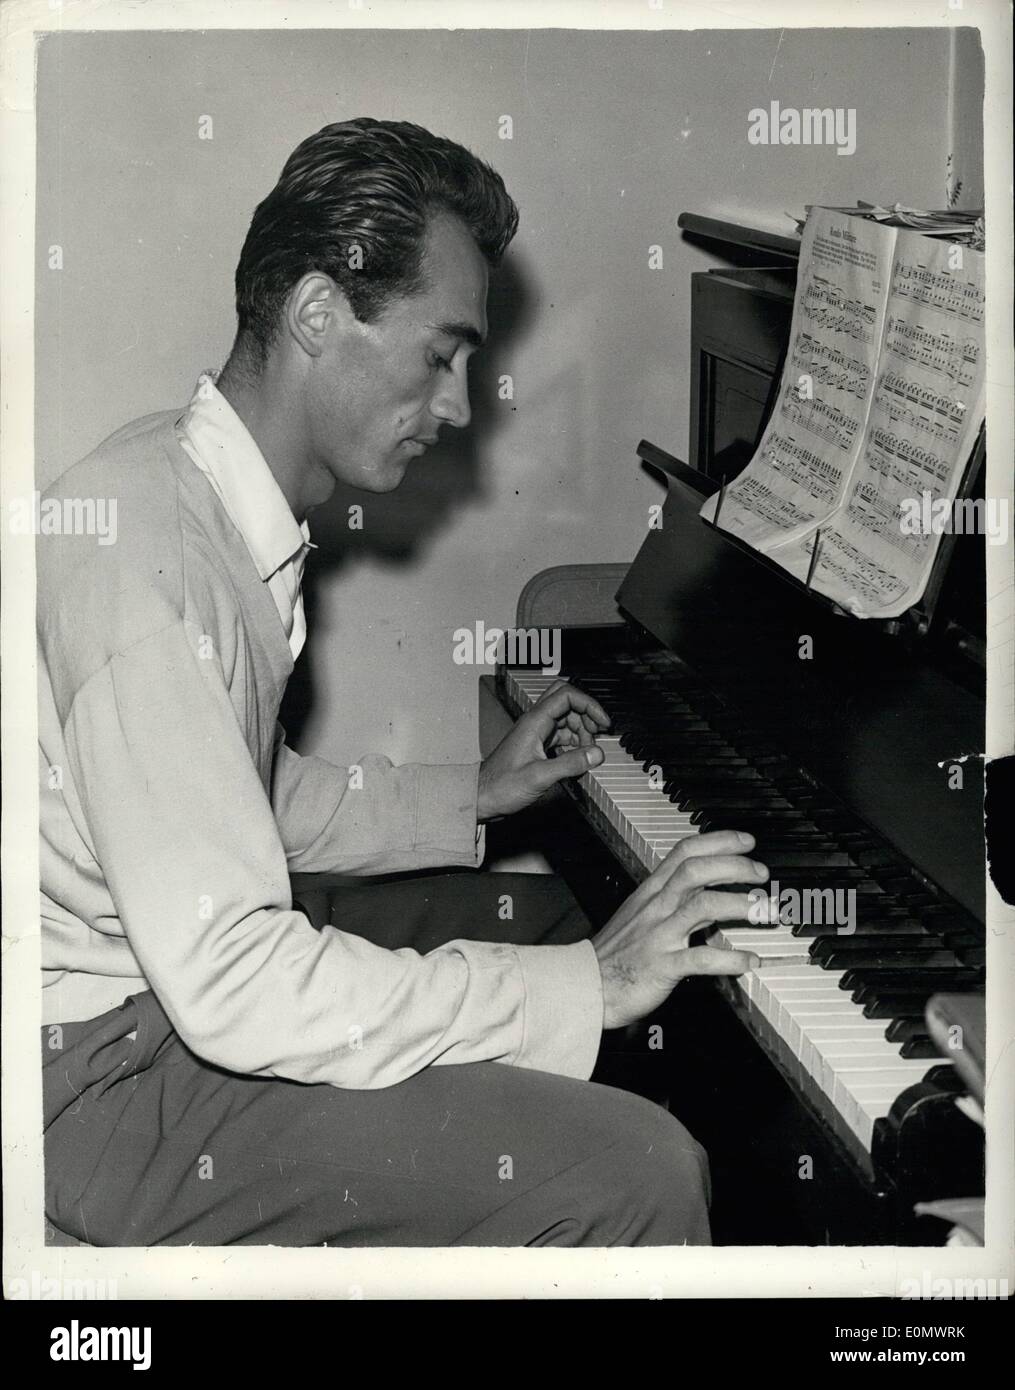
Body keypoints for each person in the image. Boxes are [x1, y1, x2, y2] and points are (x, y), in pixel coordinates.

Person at [39, 118, 766, 1248]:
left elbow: (232, 797)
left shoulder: (191, 484)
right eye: (442, 354)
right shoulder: (154, 574)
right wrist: (582, 988)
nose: (463, 406)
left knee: (565, 913)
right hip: (98, 1082)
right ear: (319, 314)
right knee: (641, 1170)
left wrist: (468, 797)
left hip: (164, 990)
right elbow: (236, 982)